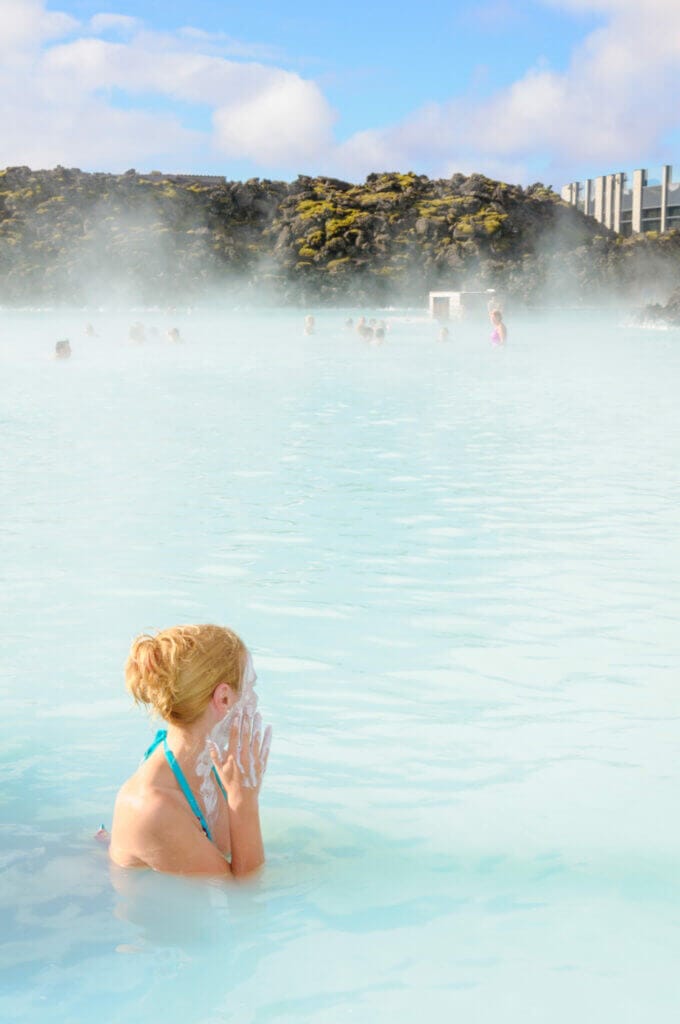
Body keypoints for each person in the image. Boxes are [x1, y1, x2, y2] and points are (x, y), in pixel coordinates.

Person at [109, 624, 272, 877]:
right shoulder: (153, 808)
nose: (255, 700)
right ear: (224, 698)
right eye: (250, 687)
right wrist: (244, 800)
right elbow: (246, 898)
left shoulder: (207, 764)